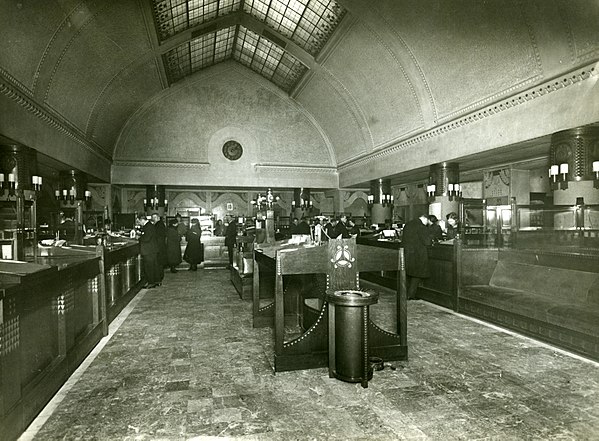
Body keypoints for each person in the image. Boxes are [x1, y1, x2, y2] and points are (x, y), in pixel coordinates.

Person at [402, 213, 431, 299]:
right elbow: (427, 242)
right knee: (416, 274)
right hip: (418, 254)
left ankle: (405, 294)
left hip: (407, 252)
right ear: (425, 219)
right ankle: (411, 295)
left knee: (408, 274)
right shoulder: (421, 227)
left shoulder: (408, 224)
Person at [137, 214, 160, 288]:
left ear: (142, 220)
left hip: (149, 250)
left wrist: (139, 238)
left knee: (149, 267)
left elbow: (147, 238)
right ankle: (156, 281)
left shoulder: (148, 226)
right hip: (152, 250)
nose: (139, 223)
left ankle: (151, 282)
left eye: (139, 221)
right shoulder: (150, 225)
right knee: (154, 266)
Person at [151, 213, 166, 283]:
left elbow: (156, 236)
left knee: (158, 263)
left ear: (157, 218)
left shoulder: (158, 225)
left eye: (154, 218)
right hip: (161, 246)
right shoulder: (161, 224)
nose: (153, 219)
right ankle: (160, 277)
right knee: (160, 263)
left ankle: (159, 278)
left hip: (159, 247)